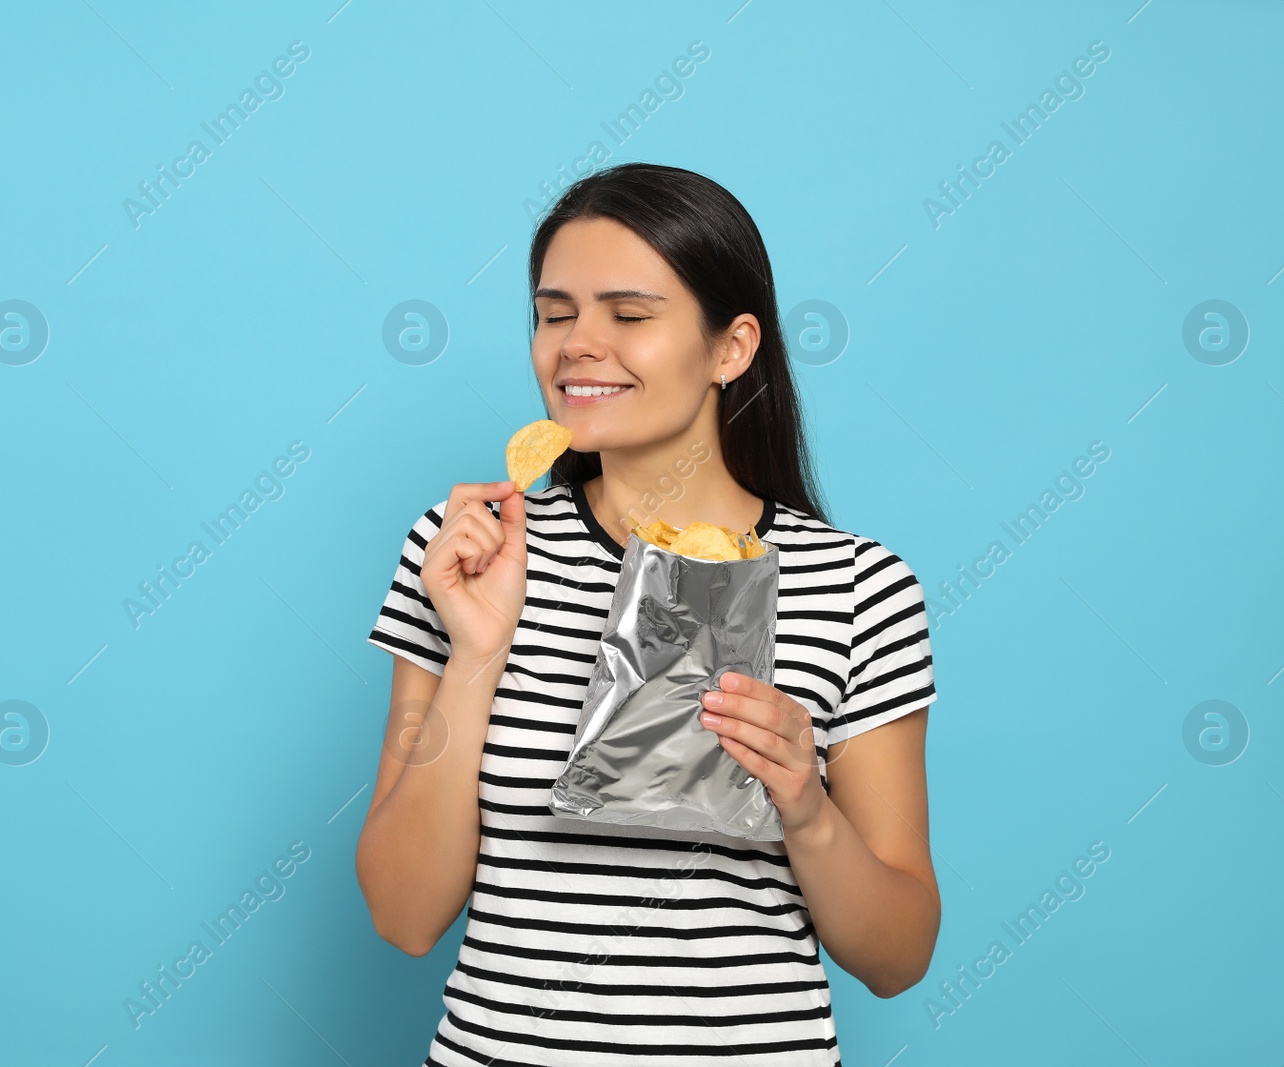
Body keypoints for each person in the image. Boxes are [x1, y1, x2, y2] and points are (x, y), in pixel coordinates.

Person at [358, 162, 939, 1065]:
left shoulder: (856, 584)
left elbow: (899, 955)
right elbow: (402, 914)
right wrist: (477, 652)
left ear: (730, 348)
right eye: (555, 314)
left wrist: (806, 807)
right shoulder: (466, 550)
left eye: (629, 315)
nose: (578, 345)